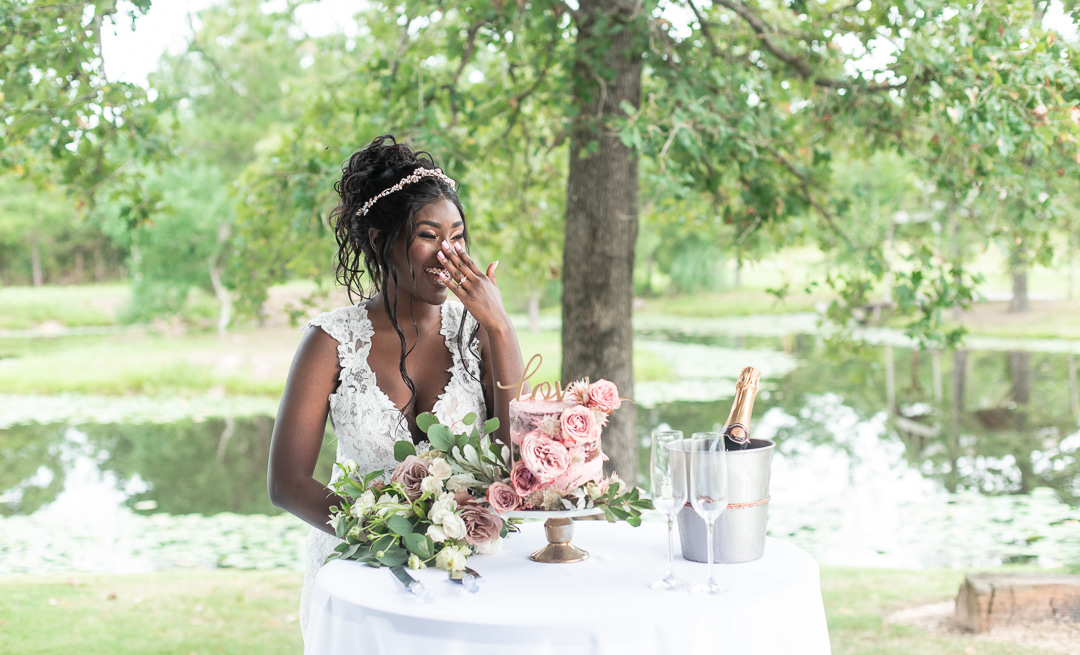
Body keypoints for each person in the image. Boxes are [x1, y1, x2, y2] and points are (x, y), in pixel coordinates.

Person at [267, 134, 525, 635]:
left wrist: (501, 327)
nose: (447, 253)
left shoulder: (479, 331)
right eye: (429, 235)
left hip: (469, 566)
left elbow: (515, 460)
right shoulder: (330, 340)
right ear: (382, 239)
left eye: (458, 235)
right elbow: (287, 484)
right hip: (359, 568)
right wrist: (394, 532)